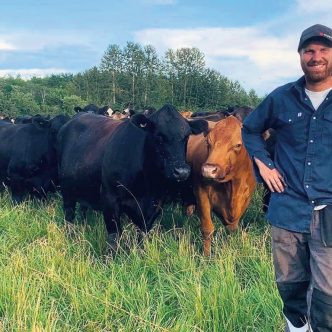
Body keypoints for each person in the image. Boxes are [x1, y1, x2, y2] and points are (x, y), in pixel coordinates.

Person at [242, 24, 332, 332]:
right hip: (287, 209)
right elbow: (250, 129)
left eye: (323, 50)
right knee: (290, 286)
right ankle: (296, 327)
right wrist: (263, 164)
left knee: (327, 295)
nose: (316, 56)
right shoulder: (281, 98)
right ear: (300, 56)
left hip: (329, 212)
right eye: (309, 50)